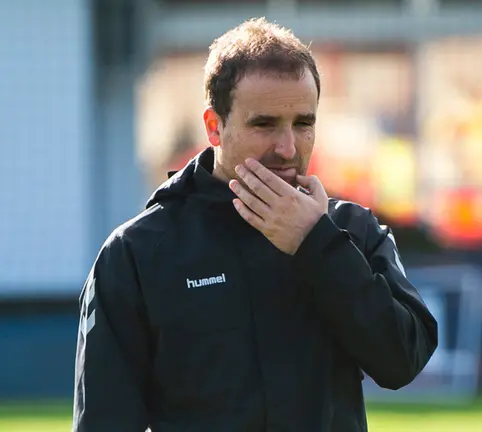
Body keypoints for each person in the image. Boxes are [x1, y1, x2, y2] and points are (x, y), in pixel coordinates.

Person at [73, 17, 438, 431]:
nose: (287, 147)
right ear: (215, 126)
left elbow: (402, 362)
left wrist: (316, 243)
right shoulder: (137, 252)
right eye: (264, 124)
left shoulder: (349, 230)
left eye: (304, 123)